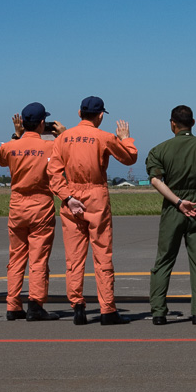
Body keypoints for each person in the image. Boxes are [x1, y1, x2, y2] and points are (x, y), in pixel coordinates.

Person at [47, 96, 138, 325]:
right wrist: (126, 139)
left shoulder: (62, 138)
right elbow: (130, 158)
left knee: (74, 257)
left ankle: (77, 306)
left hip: (71, 197)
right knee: (102, 254)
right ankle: (107, 309)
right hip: (96, 196)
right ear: (100, 116)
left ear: (79, 113)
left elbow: (53, 174)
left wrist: (67, 197)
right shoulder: (105, 137)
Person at [145, 105, 196, 325]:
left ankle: (158, 313)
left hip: (173, 207)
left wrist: (178, 202)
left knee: (163, 261)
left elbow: (155, 180)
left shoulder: (159, 150)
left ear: (172, 123)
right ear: (193, 122)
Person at [0, 102, 65, 321]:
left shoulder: (9, 146)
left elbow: (1, 159)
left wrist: (16, 137)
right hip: (41, 203)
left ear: (22, 123)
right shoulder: (52, 146)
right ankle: (35, 304)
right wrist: (62, 134)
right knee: (38, 258)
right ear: (43, 123)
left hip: (17, 205)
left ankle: (13, 304)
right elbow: (67, 156)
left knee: (16, 257)